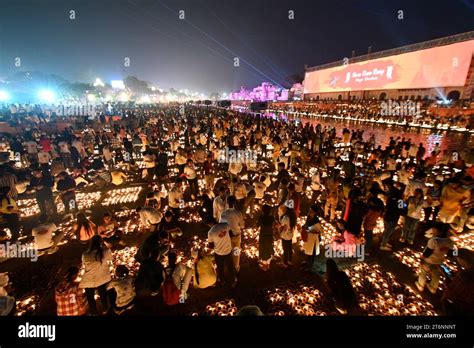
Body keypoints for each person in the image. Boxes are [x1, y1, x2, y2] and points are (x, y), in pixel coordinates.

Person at [415, 223, 455, 294]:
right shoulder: (450, 242)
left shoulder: (434, 241)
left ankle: (420, 285)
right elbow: (451, 253)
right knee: (436, 275)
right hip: (438, 261)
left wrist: (422, 259)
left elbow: (427, 252)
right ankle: (433, 288)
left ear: (438, 231)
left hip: (428, 261)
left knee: (423, 273)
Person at [79, 235, 113, 315]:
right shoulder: (105, 251)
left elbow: (84, 264)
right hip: (101, 278)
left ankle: (93, 312)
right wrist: (104, 244)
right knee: (103, 294)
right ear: (101, 243)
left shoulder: (85, 254)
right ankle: (105, 309)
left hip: (88, 280)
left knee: (90, 298)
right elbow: (110, 258)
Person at [441, 248, 474, 316]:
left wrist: (447, 283)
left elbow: (451, 293)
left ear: (463, 260)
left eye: (458, 259)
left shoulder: (465, 275)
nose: (458, 262)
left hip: (459, 309)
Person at [219, 195, 245, 272]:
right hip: (236, 235)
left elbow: (220, 225)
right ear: (234, 202)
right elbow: (242, 225)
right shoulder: (238, 213)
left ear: (227, 202)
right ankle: (236, 266)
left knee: (228, 252)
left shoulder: (223, 213)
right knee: (236, 251)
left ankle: (228, 266)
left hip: (227, 236)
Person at [207, 222, 236, 288]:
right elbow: (231, 233)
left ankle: (222, 280)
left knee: (220, 267)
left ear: (209, 224)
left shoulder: (210, 232)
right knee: (230, 267)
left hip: (218, 253)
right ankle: (233, 281)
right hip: (228, 251)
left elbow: (211, 246)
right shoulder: (225, 225)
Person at [302, 204, 323, 269]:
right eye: (310, 210)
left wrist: (309, 229)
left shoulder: (316, 221)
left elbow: (319, 231)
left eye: (311, 210)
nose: (310, 211)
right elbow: (306, 224)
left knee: (312, 253)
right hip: (308, 236)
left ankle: (309, 267)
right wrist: (304, 226)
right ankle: (307, 262)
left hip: (313, 239)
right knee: (308, 250)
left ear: (315, 212)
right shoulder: (309, 217)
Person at [277, 202, 296, 268]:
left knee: (285, 249)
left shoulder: (286, 217)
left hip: (285, 234)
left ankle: (285, 263)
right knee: (289, 247)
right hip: (290, 234)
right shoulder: (293, 215)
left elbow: (281, 223)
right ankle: (289, 261)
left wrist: (279, 215)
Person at [258, 204, 274, 271]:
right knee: (269, 247)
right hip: (270, 234)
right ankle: (267, 263)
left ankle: (264, 265)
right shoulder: (271, 218)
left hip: (263, 234)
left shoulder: (261, 217)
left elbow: (258, 224)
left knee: (263, 248)